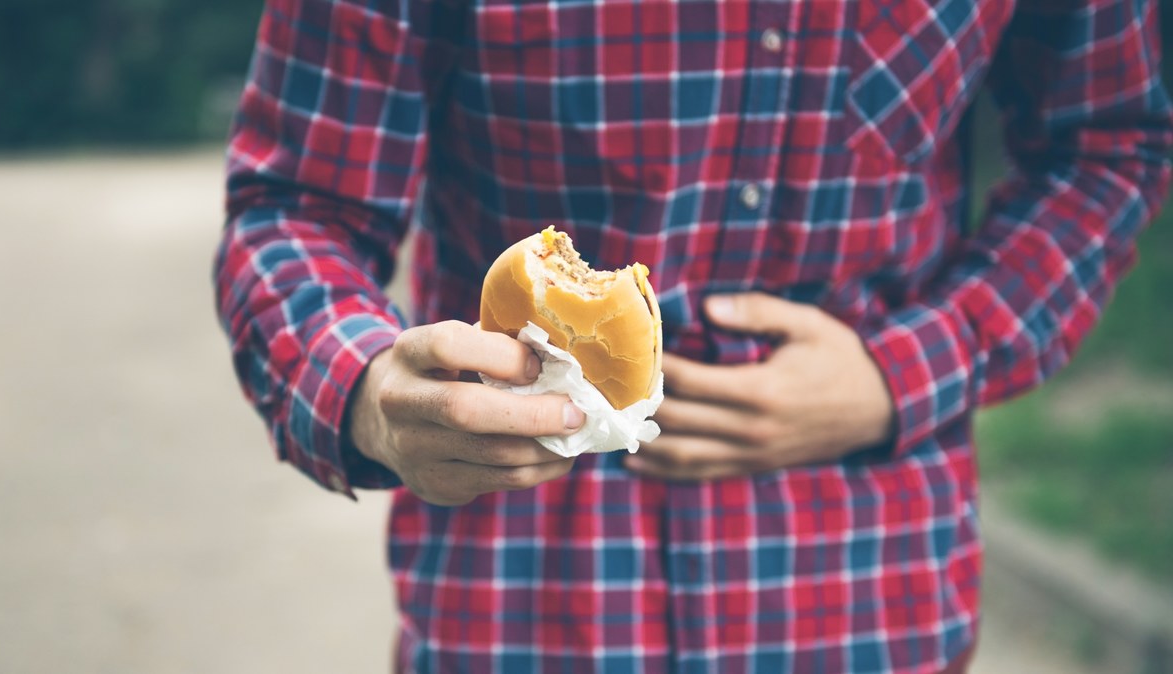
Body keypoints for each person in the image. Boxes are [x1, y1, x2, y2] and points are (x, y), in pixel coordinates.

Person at [213, 0, 1171, 671]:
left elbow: (1109, 142)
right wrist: (370, 395)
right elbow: (296, 203)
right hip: (524, 600)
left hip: (869, 592)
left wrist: (910, 369)